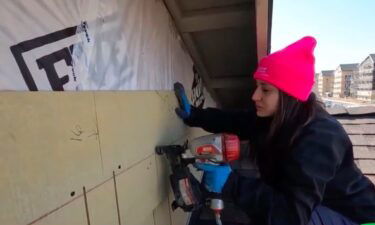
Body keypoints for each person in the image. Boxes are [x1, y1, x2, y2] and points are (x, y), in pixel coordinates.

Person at [174, 36, 375, 225]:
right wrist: (195, 115)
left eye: (266, 89)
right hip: (320, 209)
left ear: (290, 96)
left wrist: (232, 182)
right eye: (257, 87)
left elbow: (291, 216)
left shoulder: (321, 138)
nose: (255, 96)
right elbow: (237, 121)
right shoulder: (279, 118)